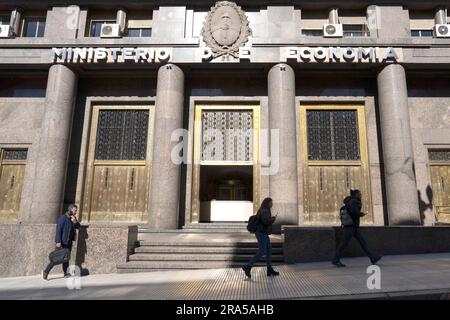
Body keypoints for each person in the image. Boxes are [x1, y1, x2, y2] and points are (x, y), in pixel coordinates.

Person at [332, 190, 382, 267]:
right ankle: (335, 259)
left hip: (351, 226)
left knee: (362, 242)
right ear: (356, 194)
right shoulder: (354, 201)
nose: (360, 195)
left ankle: (373, 257)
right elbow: (354, 212)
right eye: (359, 194)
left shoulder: (349, 201)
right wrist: (361, 214)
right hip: (350, 227)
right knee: (344, 244)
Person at [242, 197, 279, 278]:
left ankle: (269, 269)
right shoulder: (264, 210)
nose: (272, 204)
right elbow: (265, 221)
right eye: (271, 202)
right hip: (261, 233)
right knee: (262, 251)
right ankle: (248, 266)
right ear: (267, 203)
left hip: (264, 233)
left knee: (269, 250)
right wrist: (273, 219)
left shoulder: (265, 210)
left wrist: (271, 218)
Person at [43, 204, 80, 280]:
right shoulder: (63, 218)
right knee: (56, 258)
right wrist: (58, 241)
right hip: (62, 242)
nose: (76, 212)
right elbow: (58, 230)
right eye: (75, 210)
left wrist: (75, 221)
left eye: (76, 210)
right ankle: (46, 271)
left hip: (69, 242)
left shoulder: (73, 218)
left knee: (66, 258)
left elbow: (78, 226)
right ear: (70, 210)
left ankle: (66, 273)